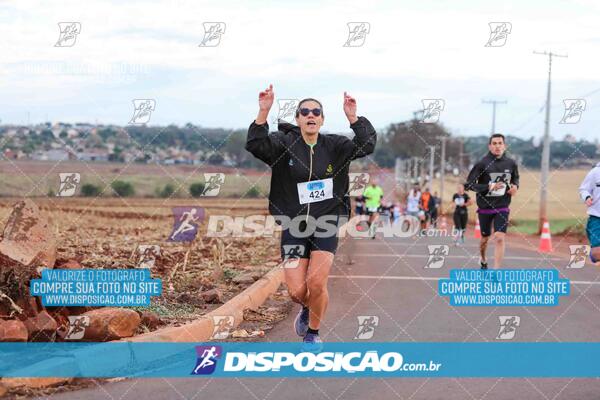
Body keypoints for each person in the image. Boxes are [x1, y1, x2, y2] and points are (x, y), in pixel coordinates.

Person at [246, 84, 376, 351]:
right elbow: (256, 144)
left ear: (322, 118)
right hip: (294, 225)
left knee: (317, 282)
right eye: (304, 111)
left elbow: (367, 144)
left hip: (326, 223)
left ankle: (313, 333)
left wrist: (354, 117)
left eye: (316, 111)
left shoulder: (336, 145)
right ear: (297, 119)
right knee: (296, 291)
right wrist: (263, 112)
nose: (311, 115)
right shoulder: (284, 145)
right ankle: (306, 308)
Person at [465, 133, 519, 270]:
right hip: (485, 207)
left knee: (500, 237)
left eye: (500, 143)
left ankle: (496, 271)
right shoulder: (482, 164)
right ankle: (483, 259)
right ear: (490, 146)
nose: (497, 146)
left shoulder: (511, 163)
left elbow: (515, 179)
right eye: (494, 143)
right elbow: (469, 185)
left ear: (504, 146)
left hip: (502, 206)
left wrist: (515, 187)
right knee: (485, 239)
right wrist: (488, 187)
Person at [578, 162, 600, 265]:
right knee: (597, 254)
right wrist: (587, 197)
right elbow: (584, 189)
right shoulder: (595, 172)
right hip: (597, 217)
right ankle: (594, 255)